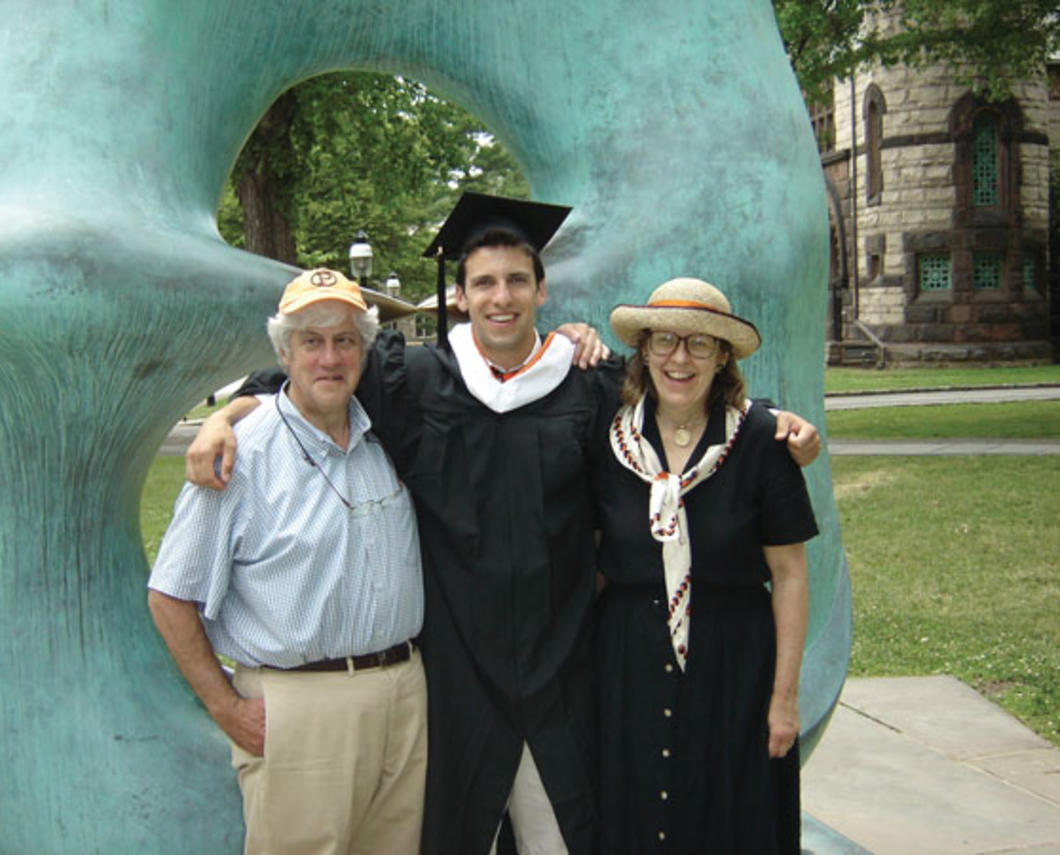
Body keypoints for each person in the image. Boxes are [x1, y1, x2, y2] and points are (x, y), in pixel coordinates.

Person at [186, 194, 821, 855]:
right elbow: (307, 373)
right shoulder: (416, 379)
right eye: (484, 282)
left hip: (564, 666)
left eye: (518, 279)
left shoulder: (586, 384)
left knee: (564, 834)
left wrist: (777, 422)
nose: (502, 296)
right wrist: (222, 417)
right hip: (457, 671)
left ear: (542, 290)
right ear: (459, 295)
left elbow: (680, 396)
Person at [147, 268, 427, 855]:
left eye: (345, 340)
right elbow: (171, 596)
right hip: (300, 709)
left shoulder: (386, 439)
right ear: (283, 352)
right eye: (311, 341)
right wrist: (226, 708)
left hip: (402, 698)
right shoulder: (236, 456)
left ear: (364, 350)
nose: (330, 357)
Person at [595, 277, 818, 854]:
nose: (680, 358)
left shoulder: (764, 442)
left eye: (700, 344)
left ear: (723, 357)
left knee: (729, 821)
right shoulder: (609, 440)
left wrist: (784, 697)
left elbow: (790, 576)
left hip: (733, 668)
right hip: (627, 668)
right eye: (666, 340)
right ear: (643, 349)